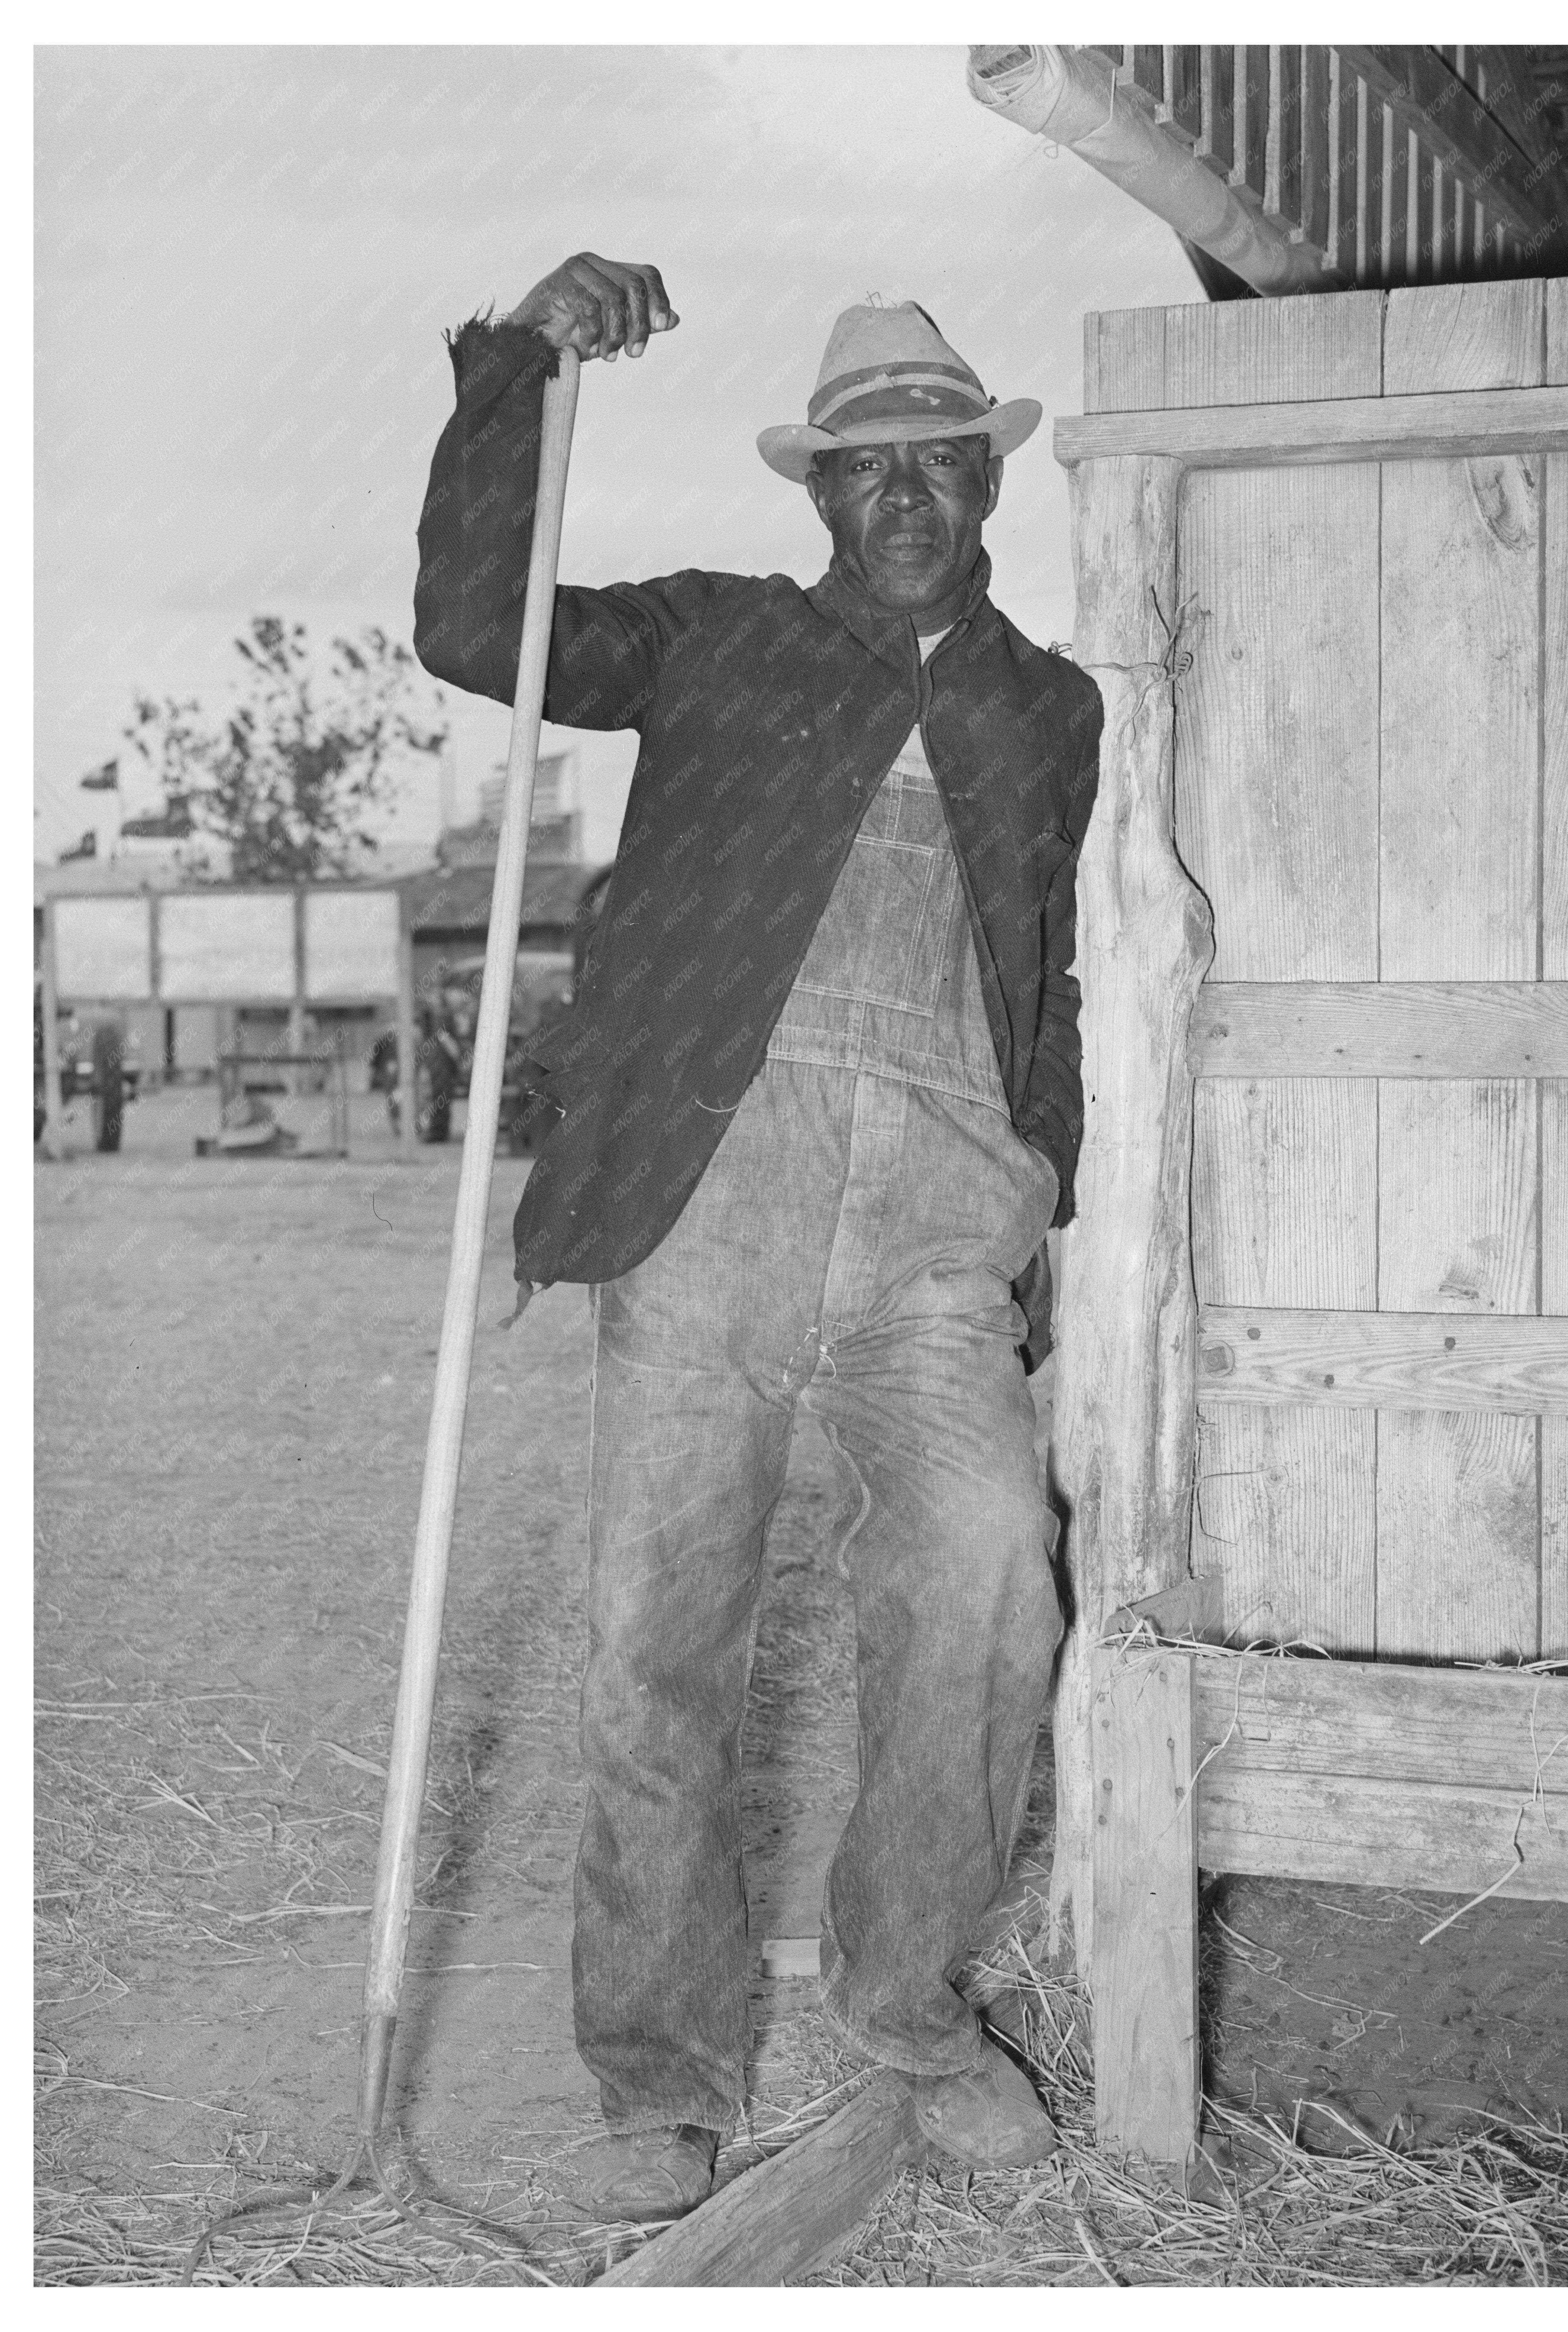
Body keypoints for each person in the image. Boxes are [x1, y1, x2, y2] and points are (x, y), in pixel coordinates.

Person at [413, 252, 1103, 2221]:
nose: (905, 493)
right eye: (868, 465)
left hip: (932, 1259)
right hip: (711, 1215)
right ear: (818, 497)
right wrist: (526, 365)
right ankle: (661, 2063)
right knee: (654, 1647)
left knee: (992, 1587)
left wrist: (1054, 1177)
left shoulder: (1055, 713)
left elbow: (1069, 969)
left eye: (940, 460)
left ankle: (899, 1998)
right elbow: (478, 627)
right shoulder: (711, 643)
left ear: (988, 482)